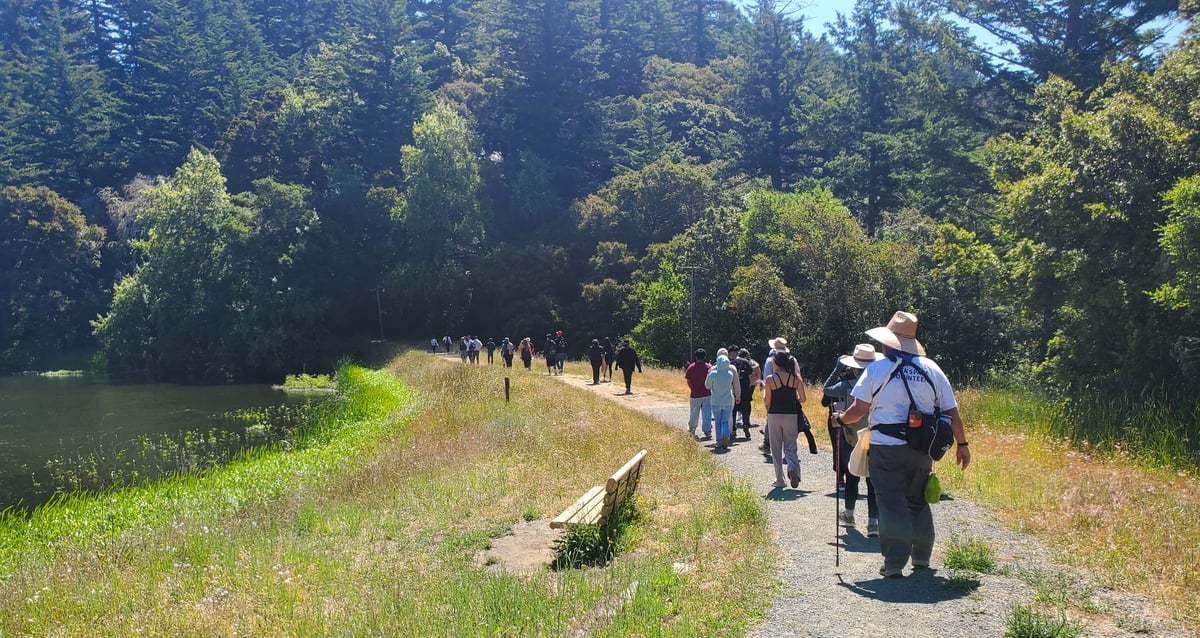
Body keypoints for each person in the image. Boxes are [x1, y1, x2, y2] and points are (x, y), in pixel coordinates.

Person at [833, 311, 971, 578]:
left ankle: (894, 563)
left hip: (885, 447)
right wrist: (963, 444)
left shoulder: (877, 369)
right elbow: (952, 412)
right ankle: (921, 558)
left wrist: (840, 420)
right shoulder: (933, 369)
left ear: (887, 343)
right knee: (918, 501)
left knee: (891, 502)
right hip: (922, 447)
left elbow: (857, 410)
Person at [824, 343, 884, 537]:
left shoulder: (847, 385)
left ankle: (849, 514)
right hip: (875, 435)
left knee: (852, 476)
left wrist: (838, 366)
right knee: (872, 480)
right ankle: (873, 522)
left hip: (852, 435)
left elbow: (827, 389)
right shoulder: (881, 383)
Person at [763, 343, 806, 489]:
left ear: (776, 363)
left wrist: (768, 410)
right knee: (791, 445)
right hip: (791, 414)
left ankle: (780, 480)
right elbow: (803, 398)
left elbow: (767, 400)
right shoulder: (796, 378)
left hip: (775, 414)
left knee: (776, 448)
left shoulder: (770, 379)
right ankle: (793, 468)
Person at [705, 349, 742, 449]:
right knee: (726, 420)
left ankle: (719, 440)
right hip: (729, 398)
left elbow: (707, 385)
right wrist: (738, 395)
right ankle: (727, 433)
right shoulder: (731, 371)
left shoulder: (713, 371)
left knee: (717, 422)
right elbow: (736, 384)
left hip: (716, 399)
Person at [684, 349, 712, 439]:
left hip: (695, 394)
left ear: (696, 356)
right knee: (707, 412)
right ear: (705, 356)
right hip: (707, 393)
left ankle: (692, 429)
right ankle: (707, 430)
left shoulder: (691, 367)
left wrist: (692, 388)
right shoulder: (709, 367)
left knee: (694, 412)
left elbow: (688, 380)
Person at [733, 348, 760, 439]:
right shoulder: (747, 362)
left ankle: (733, 428)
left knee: (734, 407)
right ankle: (746, 424)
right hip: (745, 387)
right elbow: (750, 373)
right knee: (746, 406)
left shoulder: (733, 362)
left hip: (735, 387)